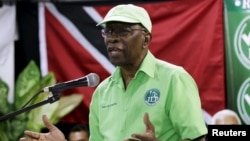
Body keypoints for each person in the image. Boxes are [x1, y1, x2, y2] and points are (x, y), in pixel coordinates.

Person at [19, 4, 208, 141]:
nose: (112, 38)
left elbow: (197, 138)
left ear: (145, 39)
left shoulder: (174, 78)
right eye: (108, 32)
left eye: (123, 31)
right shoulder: (102, 91)